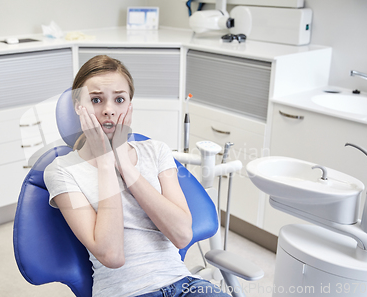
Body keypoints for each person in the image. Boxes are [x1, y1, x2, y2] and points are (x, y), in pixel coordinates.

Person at [44, 55, 230, 297]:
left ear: (129, 105)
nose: (109, 110)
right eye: (96, 100)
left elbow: (182, 235)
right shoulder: (61, 170)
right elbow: (112, 255)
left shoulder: (156, 151)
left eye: (119, 99)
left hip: (184, 285)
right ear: (79, 107)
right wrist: (104, 163)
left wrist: (124, 164)